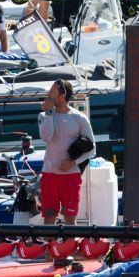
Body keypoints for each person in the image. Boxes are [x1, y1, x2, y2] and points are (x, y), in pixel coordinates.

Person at [37, 79, 93, 225]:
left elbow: (92, 149)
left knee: (70, 219)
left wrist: (73, 163)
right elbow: (47, 137)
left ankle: (70, 247)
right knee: (49, 219)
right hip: (49, 175)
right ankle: (50, 247)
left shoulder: (79, 118)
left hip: (71, 176)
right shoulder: (44, 116)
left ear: (62, 95)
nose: (48, 94)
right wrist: (49, 113)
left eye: (52, 91)